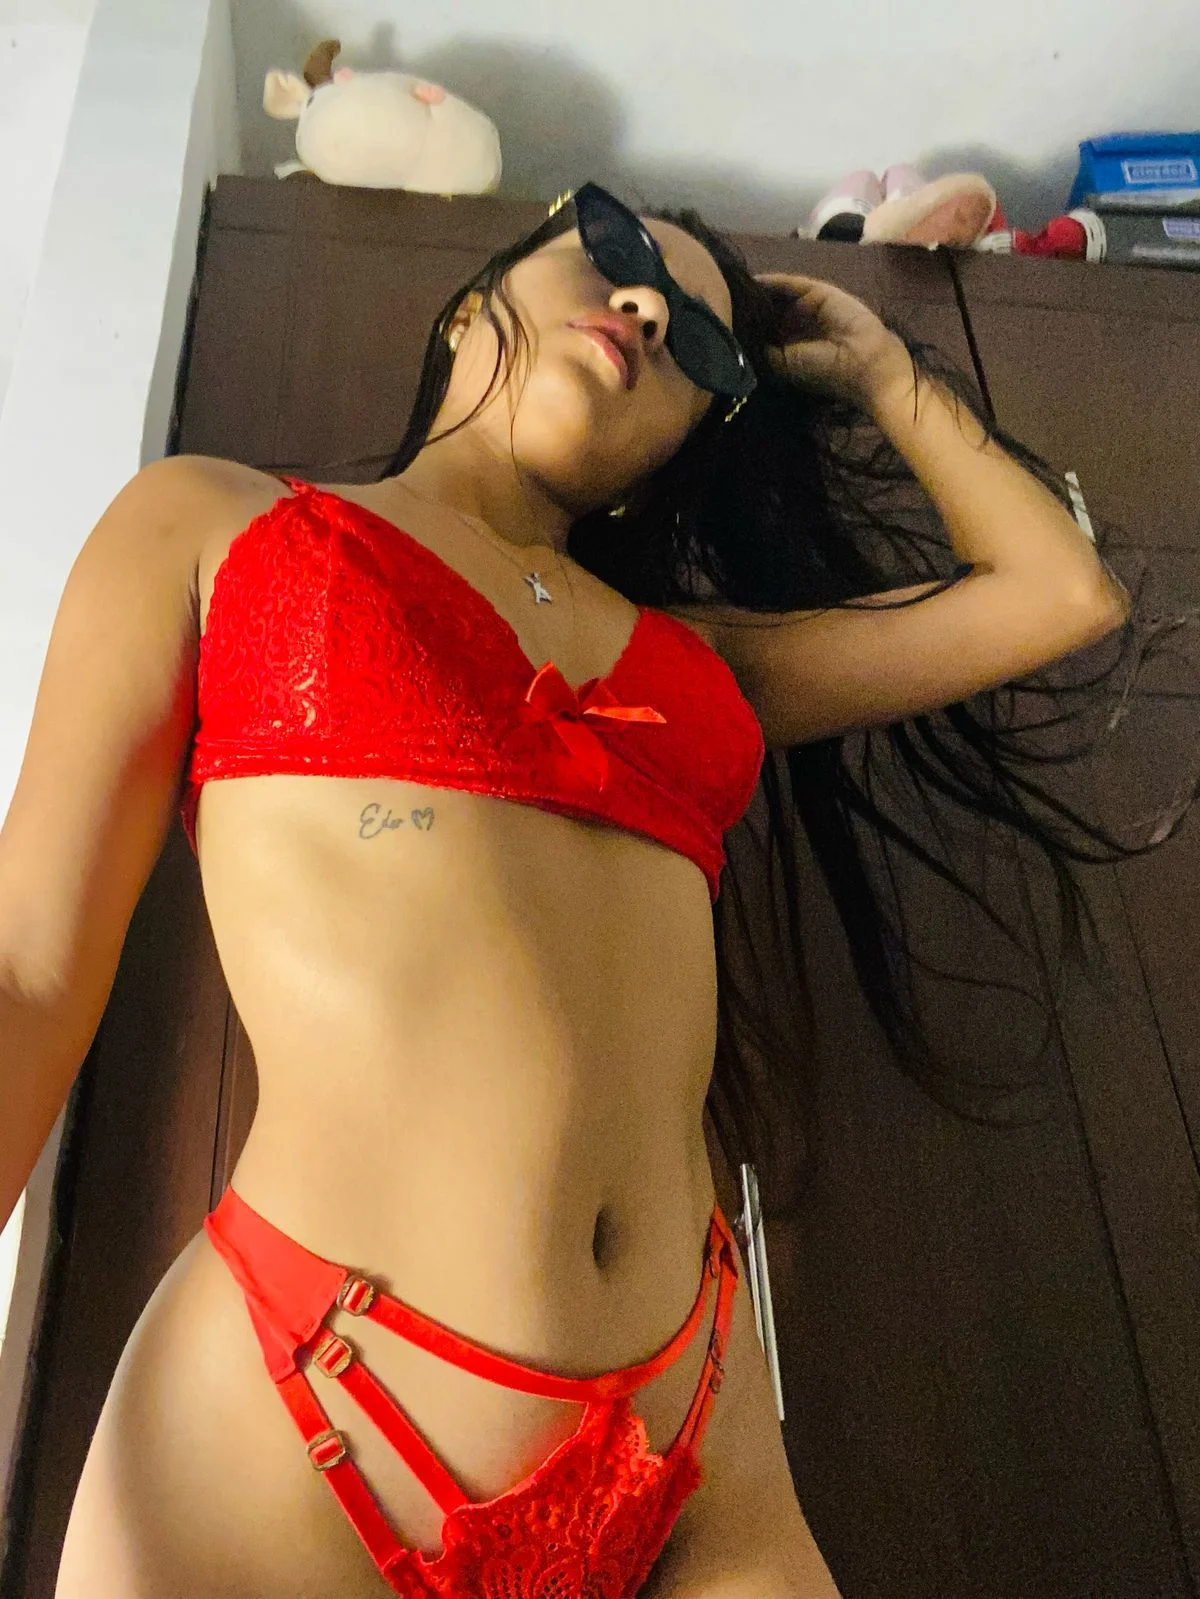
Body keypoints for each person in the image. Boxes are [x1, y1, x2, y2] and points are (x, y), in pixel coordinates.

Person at [0, 180, 1142, 1599]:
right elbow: (30, 965)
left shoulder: (702, 662)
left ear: (670, 460)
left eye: (703, 346)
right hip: (301, 1417)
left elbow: (1058, 594)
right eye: (612, 253)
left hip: (695, 1451)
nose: (648, 308)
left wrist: (874, 365)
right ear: (472, 298)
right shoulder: (215, 523)